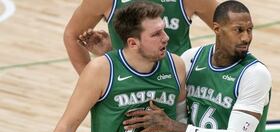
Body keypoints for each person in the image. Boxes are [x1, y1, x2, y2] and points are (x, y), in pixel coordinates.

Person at [44, 2, 228, 132]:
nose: (166, 38)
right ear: (133, 43)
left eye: (164, 30)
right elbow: (67, 125)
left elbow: (182, 119)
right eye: (156, 34)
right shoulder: (100, 72)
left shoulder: (176, 66)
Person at [123, 1, 274, 132]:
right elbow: (178, 114)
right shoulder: (191, 59)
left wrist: (170, 126)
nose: (246, 37)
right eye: (238, 30)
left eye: (249, 30)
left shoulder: (255, 74)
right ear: (217, 29)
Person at [64, 0, 218, 75]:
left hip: (176, 87)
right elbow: (72, 35)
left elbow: (229, 30)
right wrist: (90, 82)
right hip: (125, 88)